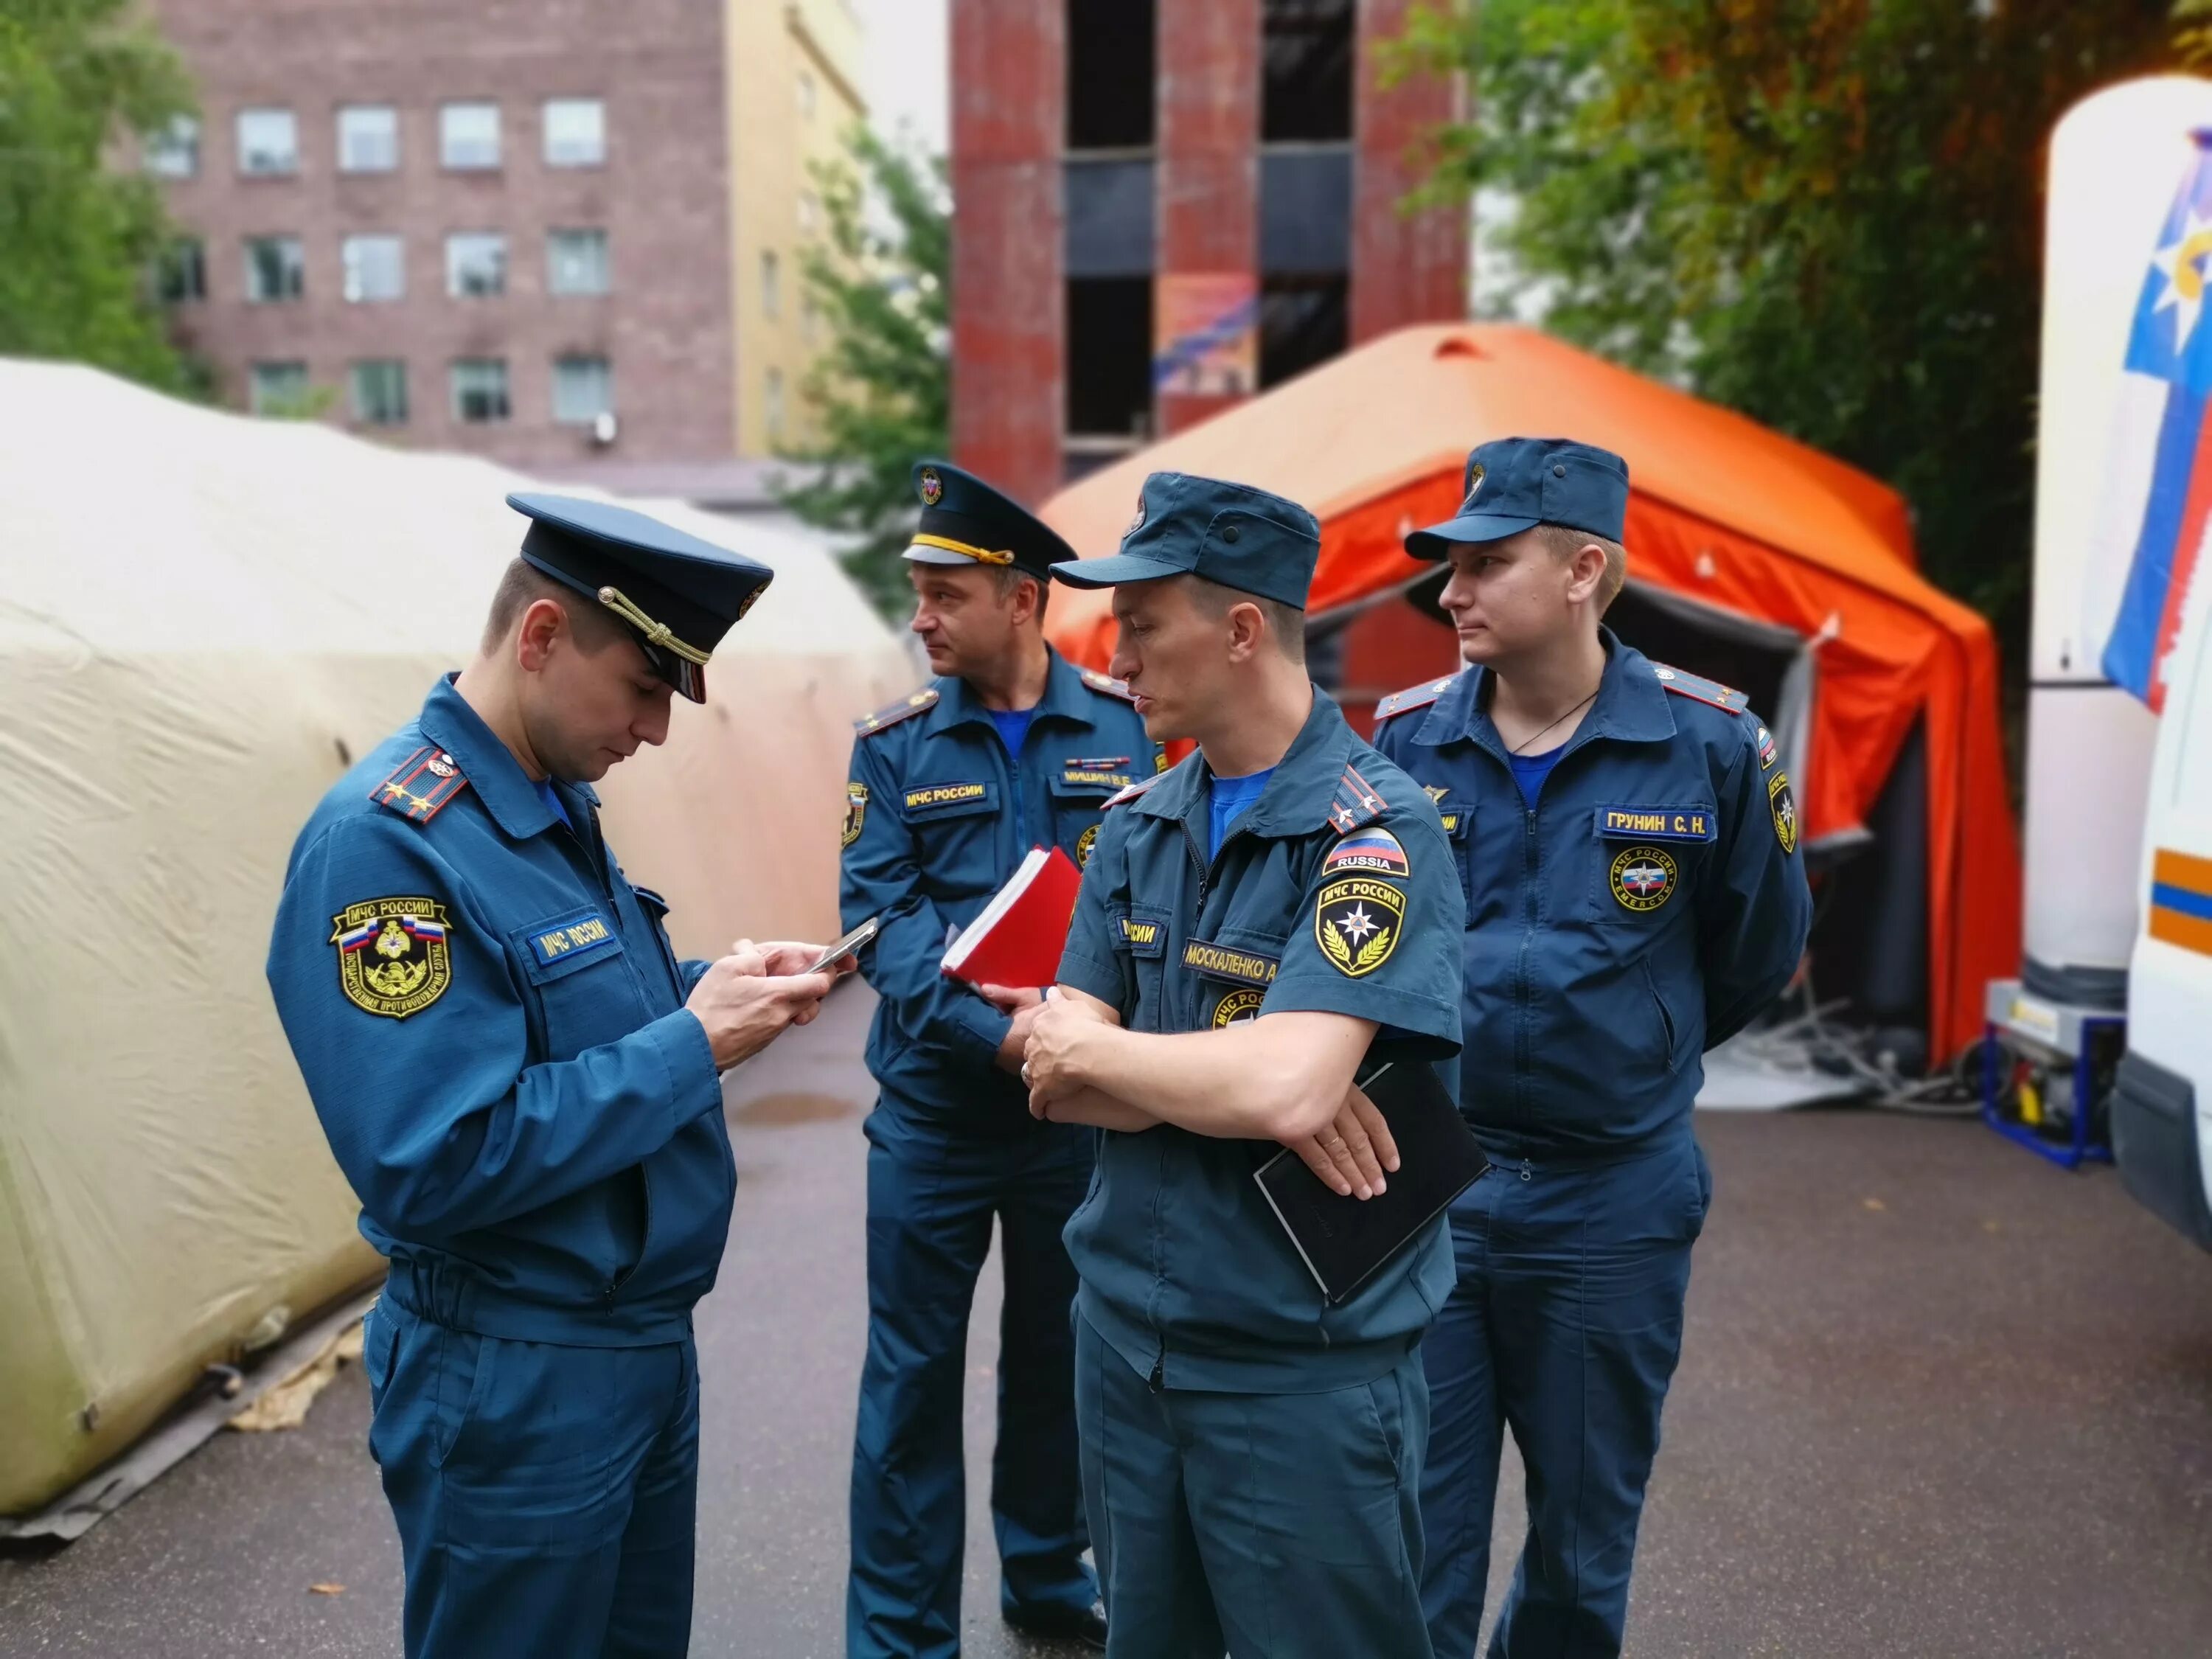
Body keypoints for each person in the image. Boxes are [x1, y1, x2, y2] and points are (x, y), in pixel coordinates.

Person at [266, 494, 845, 1659]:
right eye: (642, 686)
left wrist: (708, 987)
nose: (658, 730)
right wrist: (697, 1042)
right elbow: (438, 1153)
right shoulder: (391, 842)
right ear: (539, 637)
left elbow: (560, 1019)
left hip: (634, 1347)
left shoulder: (546, 804)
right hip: (516, 1368)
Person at [1370, 437, 1812, 1658]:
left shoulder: (1710, 744)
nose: (1451, 590)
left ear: (1584, 570)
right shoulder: (1405, 742)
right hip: (1432, 1186)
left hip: (1608, 1199)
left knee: (1580, 1542)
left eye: (1486, 563)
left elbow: (1756, 950)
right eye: (1449, 565)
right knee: (1416, 1528)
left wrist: (1634, 1045)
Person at [1020, 471, 1469, 1659]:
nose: (1115, 656)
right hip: (1127, 1348)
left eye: (1141, 621)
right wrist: (1247, 1078)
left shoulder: (1379, 830)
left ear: (1241, 629)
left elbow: (1282, 1088)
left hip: (1300, 1379)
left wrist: (1185, 1069)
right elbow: (1052, 1070)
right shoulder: (1135, 824)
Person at [839, 461, 1160, 1656]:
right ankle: (901, 1633)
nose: (919, 615)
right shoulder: (894, 746)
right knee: (911, 1379)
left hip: (1073, 1123)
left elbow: (1149, 905)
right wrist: (1005, 1032)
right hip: (933, 1116)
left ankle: (1043, 1569)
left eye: (942, 593)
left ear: (1020, 598)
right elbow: (884, 922)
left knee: (1058, 1359)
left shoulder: (1128, 733)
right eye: (916, 591)